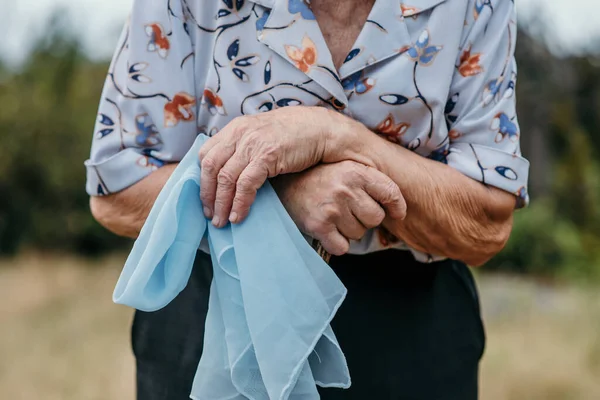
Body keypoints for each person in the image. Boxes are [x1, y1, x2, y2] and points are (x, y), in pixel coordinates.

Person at [86, 0, 529, 398]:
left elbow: (487, 224)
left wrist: (338, 137)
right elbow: (116, 190)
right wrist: (281, 200)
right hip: (212, 317)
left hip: (410, 324)